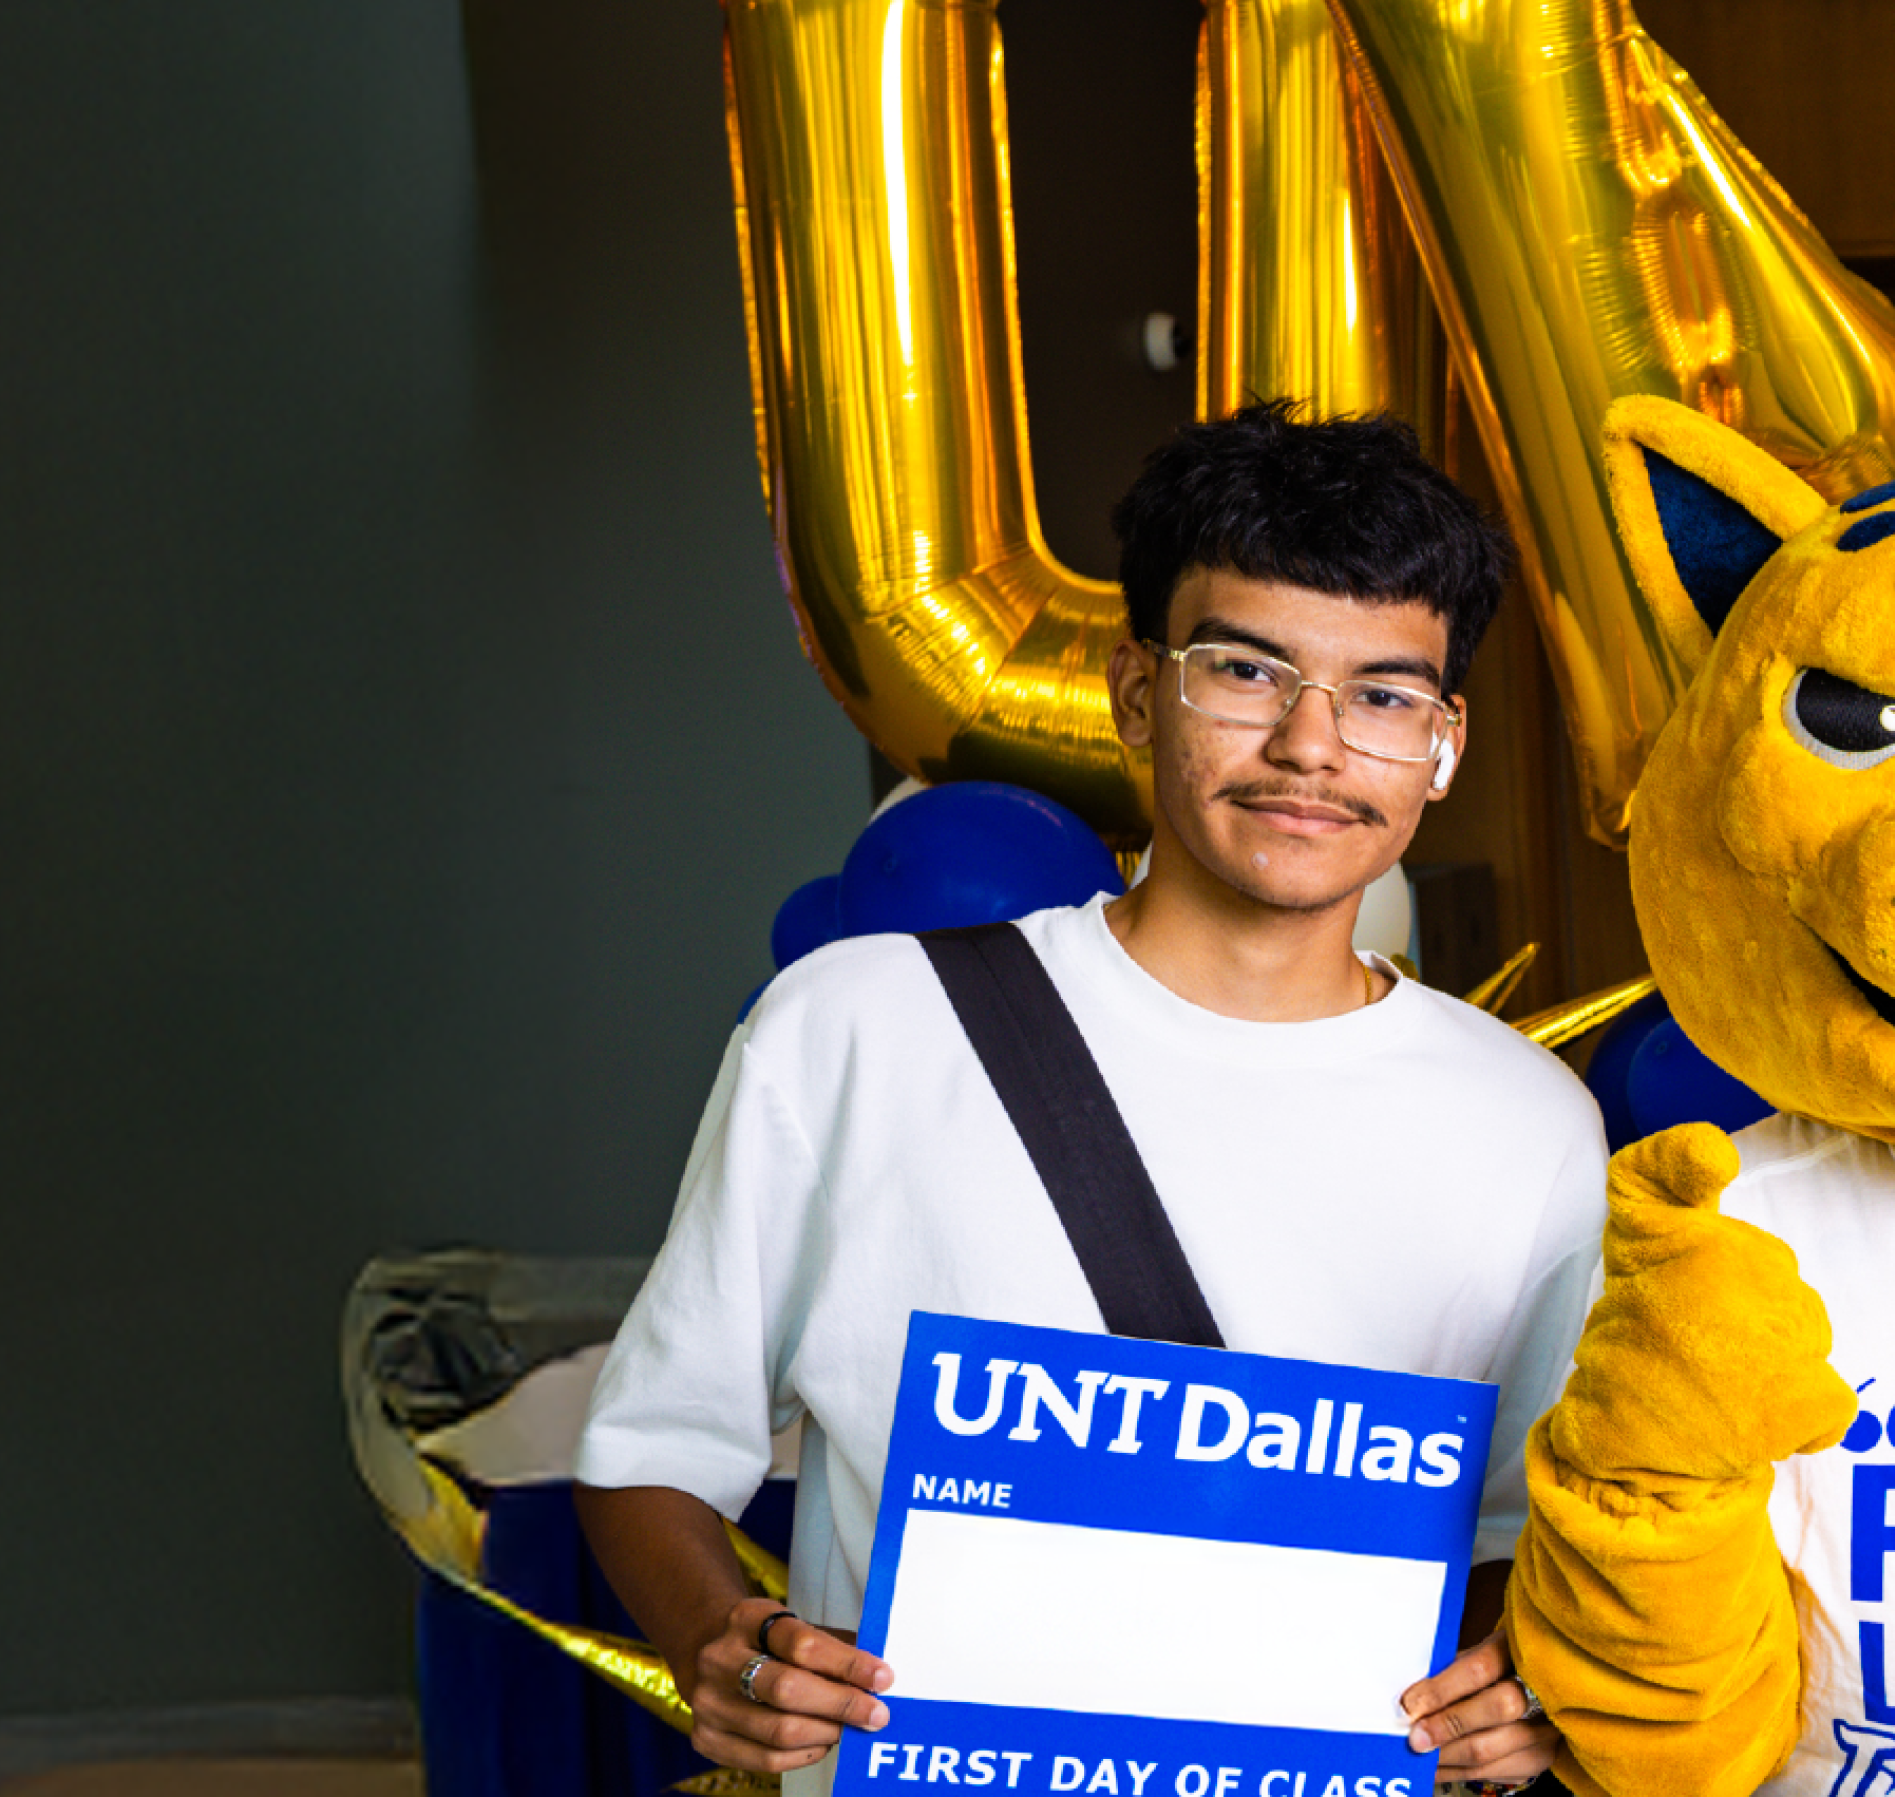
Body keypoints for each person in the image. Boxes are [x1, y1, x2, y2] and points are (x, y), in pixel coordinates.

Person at [573, 409, 1607, 1792]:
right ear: (1136, 693)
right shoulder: (862, 1026)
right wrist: (725, 1639)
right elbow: (652, 1444)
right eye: (1248, 671)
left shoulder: (1525, 1119)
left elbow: (1506, 1544)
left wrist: (1510, 1693)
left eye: (1383, 694)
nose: (1313, 744)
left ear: (1443, 743)